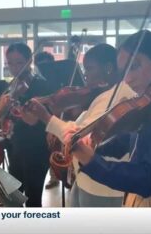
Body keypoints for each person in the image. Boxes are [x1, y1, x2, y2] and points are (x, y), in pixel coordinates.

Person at [63, 30, 151, 207]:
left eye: (135, 66)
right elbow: (131, 141)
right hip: (138, 200)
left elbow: (150, 178)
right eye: (124, 71)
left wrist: (92, 162)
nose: (128, 79)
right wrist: (92, 143)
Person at [25, 43, 136, 207]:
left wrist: (47, 118)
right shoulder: (105, 93)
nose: (85, 75)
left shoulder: (120, 97)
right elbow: (81, 126)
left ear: (108, 68)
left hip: (102, 187)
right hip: (86, 178)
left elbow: (80, 138)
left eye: (89, 68)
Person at [0, 43, 51, 207]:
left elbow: (33, 121)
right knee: (14, 195)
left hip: (36, 149)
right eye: (10, 63)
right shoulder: (13, 86)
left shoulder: (41, 85)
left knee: (33, 199)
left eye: (19, 63)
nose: (14, 68)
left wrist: (16, 105)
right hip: (16, 147)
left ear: (29, 62)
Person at [33, 51, 59, 190]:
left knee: (54, 148)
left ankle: (56, 176)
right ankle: (54, 176)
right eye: (40, 65)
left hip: (54, 118)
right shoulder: (37, 81)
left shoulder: (56, 80)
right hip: (40, 122)